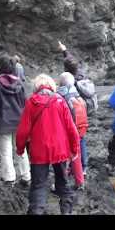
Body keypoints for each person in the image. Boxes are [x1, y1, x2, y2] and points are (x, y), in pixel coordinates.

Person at [16, 74, 81, 215]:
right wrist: (75, 149)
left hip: (39, 151)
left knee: (38, 186)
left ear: (36, 87)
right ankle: (66, 212)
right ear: (52, 86)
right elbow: (71, 128)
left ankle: (36, 211)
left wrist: (20, 148)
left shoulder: (31, 102)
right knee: (63, 183)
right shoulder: (60, 101)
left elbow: (23, 130)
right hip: (60, 150)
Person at [0, 55, 30, 187]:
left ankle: (9, 178)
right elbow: (24, 102)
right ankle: (26, 176)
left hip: (2, 122)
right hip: (19, 121)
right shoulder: (19, 83)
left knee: (5, 151)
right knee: (20, 149)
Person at [57, 71, 88, 188]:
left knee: (62, 157)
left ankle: (62, 181)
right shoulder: (79, 96)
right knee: (76, 155)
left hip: (67, 131)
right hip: (80, 129)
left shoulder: (59, 97)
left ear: (60, 84)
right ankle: (80, 182)